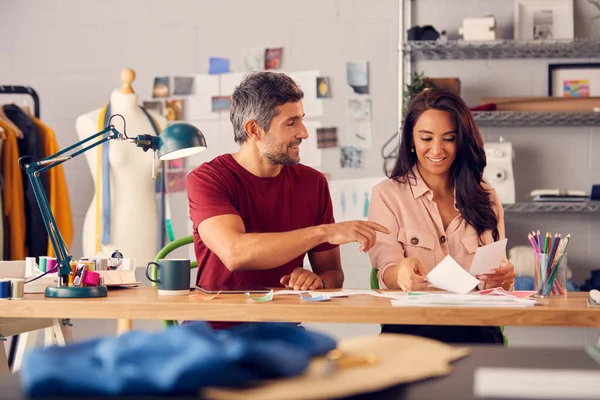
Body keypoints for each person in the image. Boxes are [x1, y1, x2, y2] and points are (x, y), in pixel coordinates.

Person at [186, 72, 389, 329]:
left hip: (283, 332)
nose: (303, 133)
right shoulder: (208, 179)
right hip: (215, 334)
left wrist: (315, 281)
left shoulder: (313, 183)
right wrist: (325, 232)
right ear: (254, 130)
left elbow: (333, 276)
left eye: (301, 120)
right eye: (291, 123)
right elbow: (235, 253)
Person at [368, 88, 515, 344]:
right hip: (413, 328)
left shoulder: (487, 197)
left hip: (475, 328)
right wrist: (401, 274)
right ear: (411, 140)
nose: (437, 150)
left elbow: (497, 279)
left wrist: (503, 276)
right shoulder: (387, 195)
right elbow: (387, 268)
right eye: (426, 138)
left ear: (462, 141)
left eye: (449, 138)